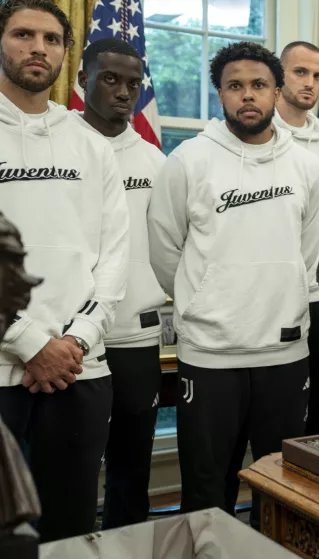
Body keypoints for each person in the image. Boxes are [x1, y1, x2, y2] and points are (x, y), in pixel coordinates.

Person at [147, 42, 319, 524]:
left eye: (259, 85)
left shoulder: (307, 165)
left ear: (277, 89)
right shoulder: (188, 161)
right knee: (207, 491)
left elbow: (306, 251)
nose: (248, 95)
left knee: (284, 490)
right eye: (235, 86)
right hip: (209, 354)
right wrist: (203, 296)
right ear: (221, 94)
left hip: (285, 353)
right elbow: (165, 251)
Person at [0, 0, 129, 541]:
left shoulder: (91, 144)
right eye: (23, 35)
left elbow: (115, 254)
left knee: (73, 531)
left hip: (80, 369)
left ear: (65, 54)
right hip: (5, 371)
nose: (38, 48)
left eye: (52, 39)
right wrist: (29, 341)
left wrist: (75, 340)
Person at [72, 37, 167, 529]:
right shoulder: (62, 145)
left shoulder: (154, 161)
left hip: (135, 336)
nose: (124, 92)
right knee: (69, 470)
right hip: (68, 340)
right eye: (110, 79)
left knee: (132, 469)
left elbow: (171, 243)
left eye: (133, 83)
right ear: (82, 79)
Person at [272, 40, 319, 435]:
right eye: (300, 72)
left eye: (317, 75)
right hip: (270, 285)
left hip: (315, 283)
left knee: (318, 391)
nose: (310, 83)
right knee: (275, 400)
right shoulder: (258, 132)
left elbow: (317, 219)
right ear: (279, 76)